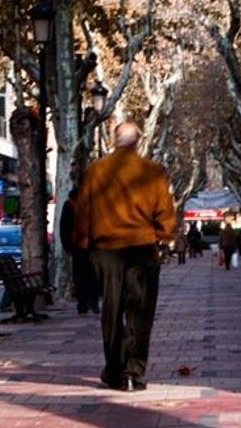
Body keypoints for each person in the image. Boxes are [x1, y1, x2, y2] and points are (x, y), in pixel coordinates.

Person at [73, 121, 176, 392]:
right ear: (138, 141)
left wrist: (83, 243)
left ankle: (115, 371)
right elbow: (165, 211)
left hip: (105, 250)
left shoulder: (96, 171)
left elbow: (83, 211)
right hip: (142, 248)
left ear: (113, 139)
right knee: (140, 312)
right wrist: (165, 237)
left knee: (112, 309)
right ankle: (134, 371)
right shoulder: (152, 172)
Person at [60, 184, 100, 315]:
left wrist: (68, 247)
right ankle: (90, 303)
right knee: (91, 276)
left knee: (81, 277)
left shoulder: (69, 206)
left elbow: (63, 229)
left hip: (79, 248)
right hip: (87, 247)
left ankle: (84, 304)